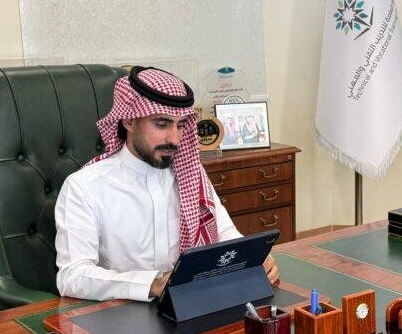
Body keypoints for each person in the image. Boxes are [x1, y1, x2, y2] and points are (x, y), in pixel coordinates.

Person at [54, 66, 279, 301]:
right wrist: (152, 284)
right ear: (129, 121)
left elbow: (222, 231)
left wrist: (253, 257)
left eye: (180, 125)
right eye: (162, 124)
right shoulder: (84, 187)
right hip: (121, 310)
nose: (174, 139)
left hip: (190, 302)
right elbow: (72, 276)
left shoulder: (190, 172)